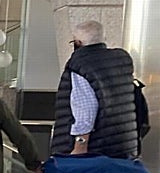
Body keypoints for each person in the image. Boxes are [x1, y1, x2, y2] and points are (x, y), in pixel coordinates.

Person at [51, 20, 138, 159]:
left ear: (77, 42)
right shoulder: (122, 59)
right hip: (125, 146)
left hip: (93, 150)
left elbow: (86, 113)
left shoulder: (80, 64)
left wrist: (79, 148)